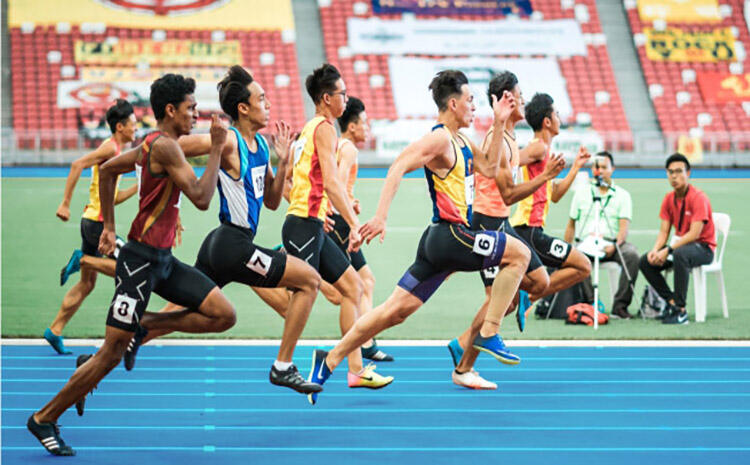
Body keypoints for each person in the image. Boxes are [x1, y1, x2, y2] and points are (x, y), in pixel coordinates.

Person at [27, 74, 237, 456]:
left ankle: (145, 326)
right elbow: (202, 198)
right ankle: (43, 418)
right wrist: (219, 148)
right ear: (170, 111)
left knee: (223, 314)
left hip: (165, 262)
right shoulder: (165, 147)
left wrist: (109, 226)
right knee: (110, 354)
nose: (196, 114)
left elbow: (107, 171)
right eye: (191, 108)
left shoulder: (156, 144)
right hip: (139, 263)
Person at [306, 69, 531, 405]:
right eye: (470, 101)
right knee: (520, 255)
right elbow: (398, 165)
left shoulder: (462, 140)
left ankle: (330, 359)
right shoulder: (439, 139)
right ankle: (490, 332)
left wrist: (499, 123)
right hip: (451, 235)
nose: (474, 108)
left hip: (440, 243)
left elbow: (487, 167)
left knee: (394, 311)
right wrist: (381, 215)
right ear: (453, 104)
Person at [120, 66, 323, 394]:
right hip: (233, 245)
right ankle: (283, 366)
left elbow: (271, 202)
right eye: (262, 99)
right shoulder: (229, 140)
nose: (268, 104)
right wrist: (143, 168)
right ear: (243, 108)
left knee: (185, 311)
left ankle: (103, 357)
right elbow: (170, 147)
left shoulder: (258, 146)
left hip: (221, 244)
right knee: (310, 281)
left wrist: (283, 160)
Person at [446, 72, 565, 389]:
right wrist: (546, 176)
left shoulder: (512, 140)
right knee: (499, 300)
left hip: (502, 221)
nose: (524, 100)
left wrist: (546, 164)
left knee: (536, 282)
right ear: (505, 101)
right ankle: (465, 363)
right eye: (518, 95)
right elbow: (510, 193)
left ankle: (464, 344)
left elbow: (516, 173)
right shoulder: (496, 141)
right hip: (487, 222)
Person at [284, 63, 392, 390]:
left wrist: (326, 207)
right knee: (303, 294)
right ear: (327, 98)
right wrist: (356, 224)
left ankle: (355, 370)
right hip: (303, 224)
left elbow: (302, 178)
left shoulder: (312, 128)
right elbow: (333, 182)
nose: (346, 98)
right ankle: (283, 363)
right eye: (342, 93)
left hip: (313, 223)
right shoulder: (325, 129)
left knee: (354, 288)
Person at [47, 100, 138, 354]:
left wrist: (137, 187)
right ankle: (83, 260)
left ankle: (54, 330)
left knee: (87, 285)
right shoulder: (110, 148)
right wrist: (65, 204)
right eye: (132, 124)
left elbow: (114, 197)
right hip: (97, 225)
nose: (136, 129)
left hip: (92, 222)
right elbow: (77, 164)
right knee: (132, 269)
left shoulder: (116, 151)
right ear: (120, 126)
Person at [509, 93, 592, 311]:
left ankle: (525, 295)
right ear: (547, 121)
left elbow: (554, 194)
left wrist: (575, 168)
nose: (559, 118)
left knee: (581, 267)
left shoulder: (546, 152)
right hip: (528, 230)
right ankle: (530, 295)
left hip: (530, 230)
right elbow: (513, 159)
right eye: (556, 113)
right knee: (583, 266)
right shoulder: (539, 148)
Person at [326, 96, 393, 362]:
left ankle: (366, 342)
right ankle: (361, 345)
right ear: (352, 126)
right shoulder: (350, 149)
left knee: (366, 281)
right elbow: (338, 183)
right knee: (347, 289)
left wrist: (350, 201)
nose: (368, 128)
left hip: (339, 216)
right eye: (365, 122)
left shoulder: (336, 145)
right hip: (341, 223)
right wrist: (349, 210)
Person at [639, 153, 716, 325]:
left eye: (679, 171)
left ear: (688, 173)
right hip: (679, 246)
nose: (674, 176)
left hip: (703, 248)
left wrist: (668, 250)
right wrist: (655, 250)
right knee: (645, 261)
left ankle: (681, 311)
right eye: (670, 172)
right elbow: (664, 232)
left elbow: (694, 234)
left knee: (680, 254)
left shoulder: (698, 198)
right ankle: (672, 302)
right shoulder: (668, 199)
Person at [565, 151, 639, 319]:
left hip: (611, 243)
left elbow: (623, 229)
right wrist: (566, 247)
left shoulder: (623, 195)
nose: (601, 171)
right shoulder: (581, 193)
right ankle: (591, 304)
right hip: (586, 243)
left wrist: (615, 245)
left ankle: (620, 305)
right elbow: (571, 225)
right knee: (575, 257)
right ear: (592, 169)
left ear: (612, 169)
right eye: (597, 167)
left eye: (604, 167)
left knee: (632, 255)